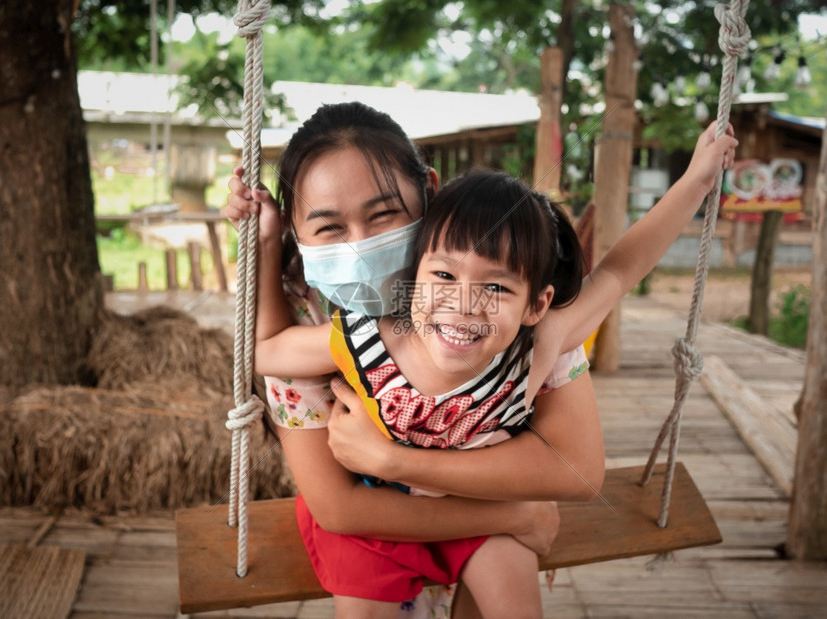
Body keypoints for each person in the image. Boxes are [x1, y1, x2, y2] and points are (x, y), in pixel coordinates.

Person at [250, 121, 738, 618]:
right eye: (443, 275)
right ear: (415, 273)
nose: (464, 304)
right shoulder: (365, 338)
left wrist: (695, 183)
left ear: (537, 304)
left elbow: (618, 270)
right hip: (378, 513)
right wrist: (266, 243)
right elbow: (268, 351)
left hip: (483, 512)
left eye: (497, 288)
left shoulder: (534, 345)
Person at [225, 101, 605, 618]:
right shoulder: (308, 319)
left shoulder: (496, 297)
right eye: (330, 228)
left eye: (383, 215)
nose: (360, 245)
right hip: (387, 521)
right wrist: (517, 515)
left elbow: (574, 468)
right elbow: (338, 507)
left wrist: (397, 461)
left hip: (477, 504)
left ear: (428, 189)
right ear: (296, 230)